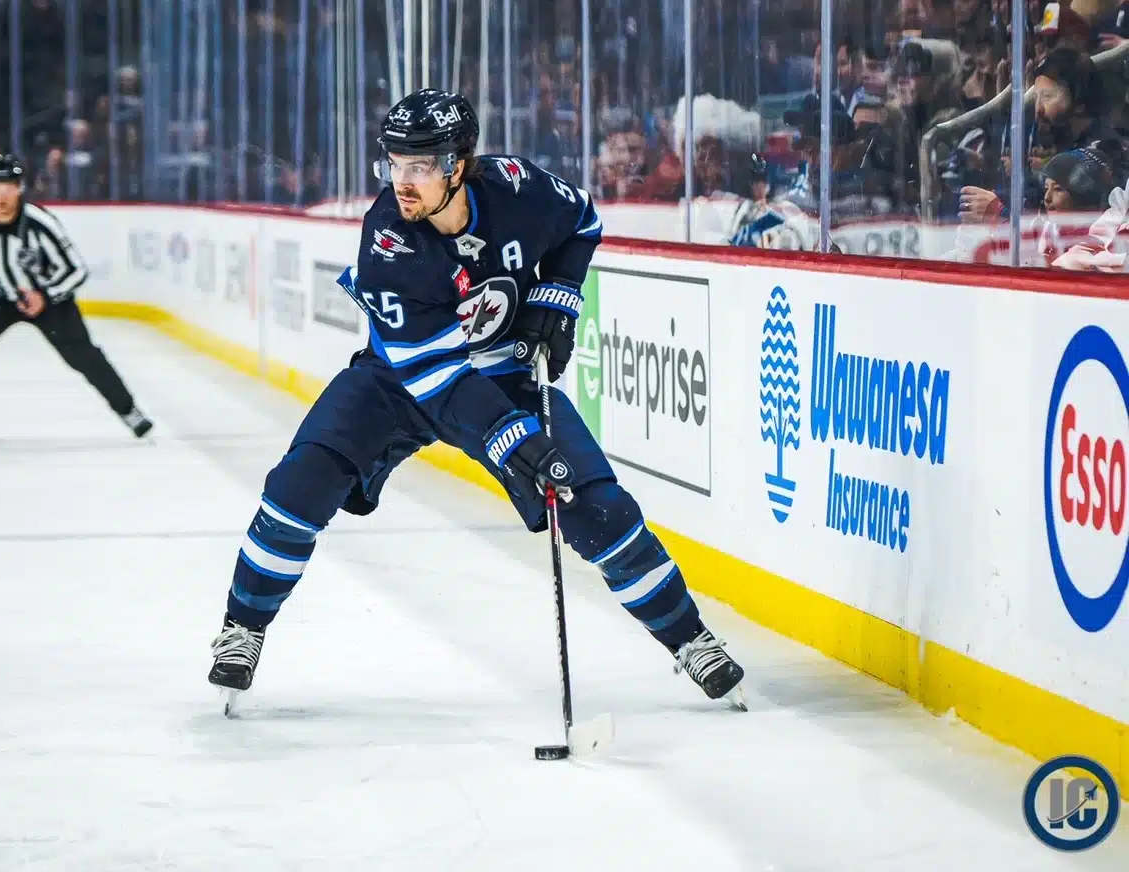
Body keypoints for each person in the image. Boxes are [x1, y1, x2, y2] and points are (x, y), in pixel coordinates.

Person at [206, 89, 747, 711]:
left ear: (458, 165)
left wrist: (558, 299)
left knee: (597, 507)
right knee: (300, 483)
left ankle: (691, 639)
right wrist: (515, 439)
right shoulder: (389, 237)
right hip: (399, 380)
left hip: (504, 374)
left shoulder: (517, 188)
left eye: (419, 166)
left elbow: (582, 222)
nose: (401, 182)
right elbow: (435, 379)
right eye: (393, 163)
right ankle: (243, 627)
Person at [0, 153, 153, 442]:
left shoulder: (40, 223)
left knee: (84, 356)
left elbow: (76, 270)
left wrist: (45, 296)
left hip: (50, 300)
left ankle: (129, 411)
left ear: (19, 188)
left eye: (8, 187)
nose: (1, 195)